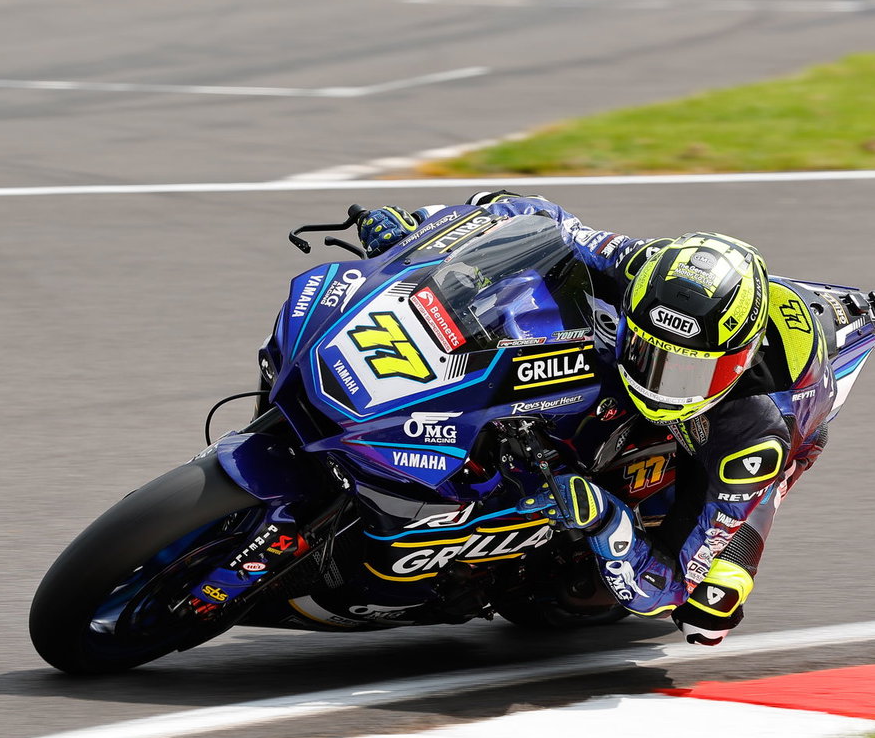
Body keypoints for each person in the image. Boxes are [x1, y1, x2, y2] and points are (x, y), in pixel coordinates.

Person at [356, 192, 839, 645]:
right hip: (626, 368)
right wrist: (425, 228)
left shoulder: (755, 434)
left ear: (733, 361)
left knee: (707, 609)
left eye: (685, 372)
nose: (660, 382)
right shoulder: (639, 267)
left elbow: (667, 585)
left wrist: (609, 523)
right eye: (649, 353)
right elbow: (535, 217)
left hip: (730, 436)